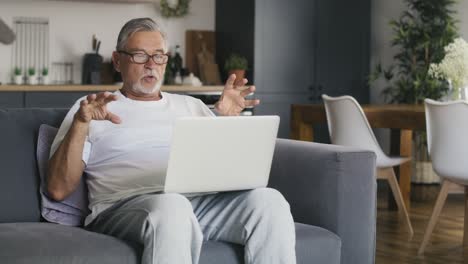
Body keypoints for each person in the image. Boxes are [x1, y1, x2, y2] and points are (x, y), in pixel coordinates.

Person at [47, 17, 296, 264]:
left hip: (197, 203)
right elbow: (58, 188)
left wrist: (223, 120)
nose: (151, 65)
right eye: (140, 55)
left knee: (269, 202)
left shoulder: (191, 105)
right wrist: (81, 124)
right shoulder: (92, 109)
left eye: (158, 56)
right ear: (117, 60)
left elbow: (220, 168)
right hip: (122, 207)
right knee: (173, 207)